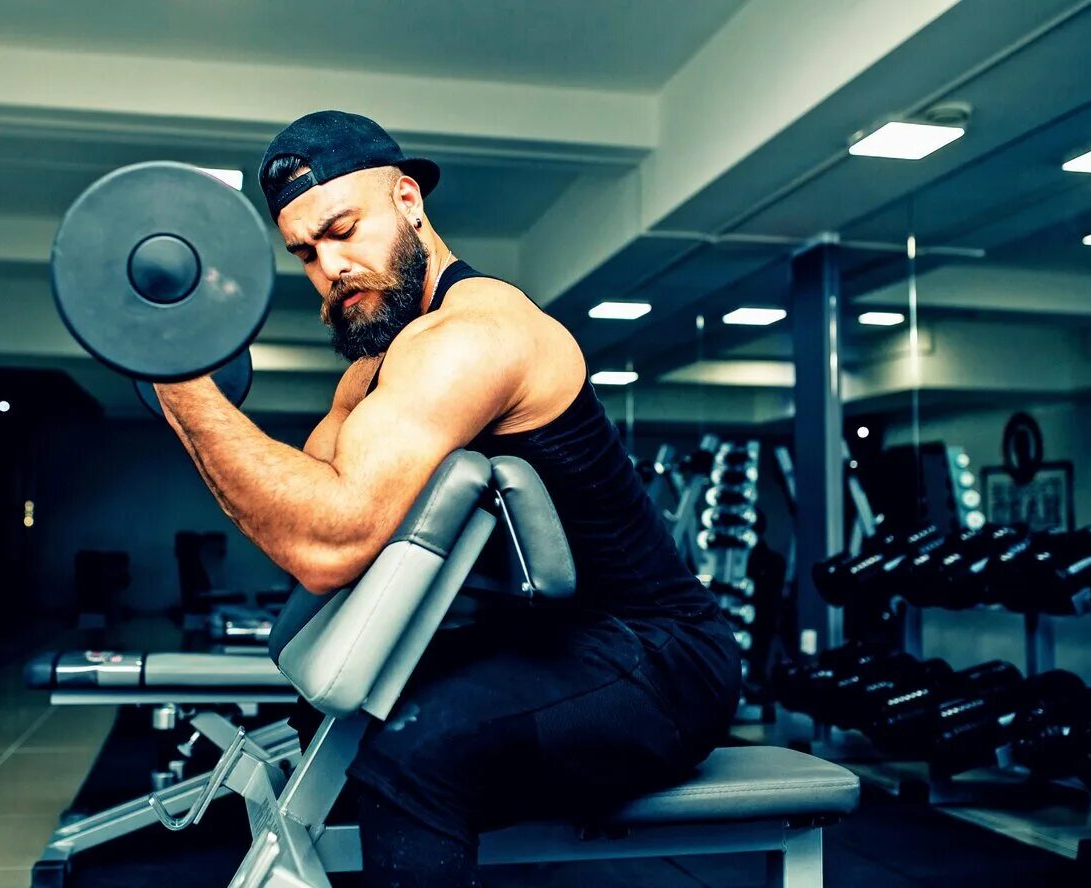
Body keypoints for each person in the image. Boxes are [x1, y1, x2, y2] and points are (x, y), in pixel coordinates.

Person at [153, 110, 741, 887]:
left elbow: (326, 545)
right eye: (305, 253)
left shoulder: (473, 337)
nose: (331, 267)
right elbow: (297, 517)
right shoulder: (372, 371)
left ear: (408, 200)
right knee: (333, 722)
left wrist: (183, 388)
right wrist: (188, 388)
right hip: (551, 640)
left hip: (661, 657)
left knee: (415, 749)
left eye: (343, 229)